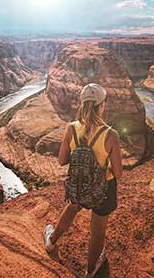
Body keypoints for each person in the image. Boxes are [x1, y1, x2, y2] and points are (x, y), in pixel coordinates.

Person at [43, 83, 123, 277]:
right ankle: (91, 270)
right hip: (103, 189)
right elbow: (118, 173)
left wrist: (82, 161)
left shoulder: (71, 128)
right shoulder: (110, 134)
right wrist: (98, 167)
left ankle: (52, 241)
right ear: (101, 105)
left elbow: (62, 161)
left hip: (79, 183)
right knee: (97, 231)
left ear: (82, 104)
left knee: (72, 207)